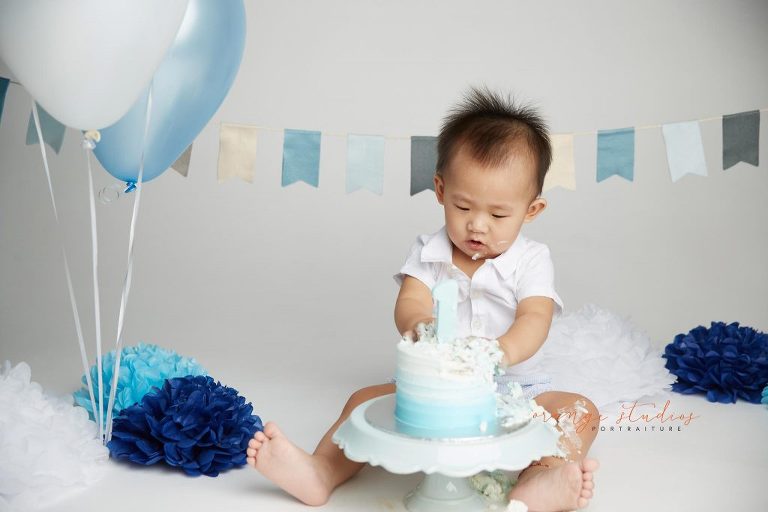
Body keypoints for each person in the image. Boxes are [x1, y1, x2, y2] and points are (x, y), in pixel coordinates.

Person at [247, 87, 600, 511]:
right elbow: (411, 301)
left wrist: (501, 352)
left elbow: (535, 316)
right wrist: (418, 326)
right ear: (439, 189)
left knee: (580, 410)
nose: (478, 226)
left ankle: (539, 482)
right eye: (463, 206)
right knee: (362, 400)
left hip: (515, 387)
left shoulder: (532, 259)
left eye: (499, 214)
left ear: (532, 210)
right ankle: (320, 471)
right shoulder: (429, 251)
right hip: (436, 389)